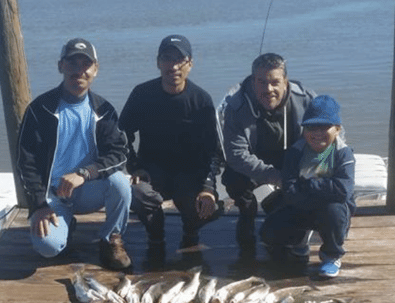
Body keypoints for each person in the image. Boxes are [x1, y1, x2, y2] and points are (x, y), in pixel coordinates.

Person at [16, 37, 133, 270]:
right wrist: (39, 205)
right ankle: (65, 227)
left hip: (88, 189)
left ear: (95, 70)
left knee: (121, 183)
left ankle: (111, 238)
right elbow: (24, 162)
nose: (79, 71)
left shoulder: (104, 110)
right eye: (72, 63)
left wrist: (86, 173)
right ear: (61, 66)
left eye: (85, 64)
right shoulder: (40, 110)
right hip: (53, 196)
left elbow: (119, 154)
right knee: (47, 248)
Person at [119, 34, 221, 255]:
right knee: (136, 192)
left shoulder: (201, 100)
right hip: (153, 171)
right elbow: (121, 134)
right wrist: (134, 167)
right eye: (167, 58)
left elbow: (213, 151)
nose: (173, 66)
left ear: (190, 64)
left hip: (190, 174)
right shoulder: (142, 94)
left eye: (180, 59)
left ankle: (191, 233)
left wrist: (208, 188)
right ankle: (156, 235)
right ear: (158, 62)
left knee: (203, 203)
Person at [221, 53, 317, 253]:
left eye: (275, 82)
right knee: (232, 177)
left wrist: (308, 169)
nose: (268, 89)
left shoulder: (307, 100)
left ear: (285, 82)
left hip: (293, 159)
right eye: (261, 82)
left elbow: (332, 138)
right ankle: (247, 213)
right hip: (253, 160)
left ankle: (287, 206)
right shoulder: (236, 107)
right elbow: (236, 155)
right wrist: (276, 177)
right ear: (253, 81)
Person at [259, 95, 356, 279]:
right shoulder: (295, 153)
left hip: (333, 210)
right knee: (268, 234)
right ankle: (299, 240)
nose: (317, 133)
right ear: (304, 129)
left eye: (324, 127)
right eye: (312, 127)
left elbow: (344, 190)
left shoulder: (343, 154)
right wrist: (323, 189)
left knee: (333, 210)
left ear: (337, 129)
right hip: (301, 205)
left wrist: (310, 184)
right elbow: (290, 190)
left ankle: (331, 255)